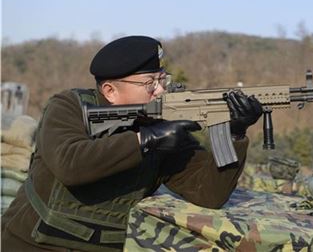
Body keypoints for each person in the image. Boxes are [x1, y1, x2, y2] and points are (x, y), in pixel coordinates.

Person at [1, 36, 263, 252]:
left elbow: (209, 193)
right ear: (110, 91)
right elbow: (71, 164)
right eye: (149, 83)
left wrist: (234, 134)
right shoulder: (69, 107)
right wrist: (146, 140)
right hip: (30, 242)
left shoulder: (159, 122)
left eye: (162, 80)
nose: (160, 90)